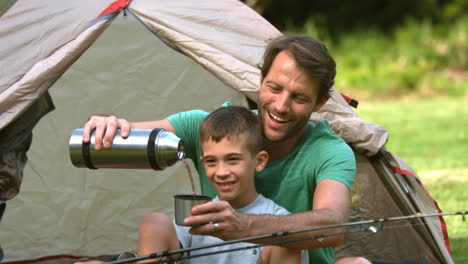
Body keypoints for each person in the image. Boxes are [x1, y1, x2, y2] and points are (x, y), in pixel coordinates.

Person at [82, 35, 370, 264]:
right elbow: (130, 136)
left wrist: (244, 227)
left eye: (299, 97)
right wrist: (110, 126)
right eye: (274, 87)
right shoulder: (212, 128)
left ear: (319, 104)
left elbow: (332, 224)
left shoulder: (329, 151)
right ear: (260, 80)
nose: (281, 106)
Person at [138, 105, 305, 263]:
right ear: (203, 163)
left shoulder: (278, 220)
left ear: (259, 161)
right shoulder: (198, 215)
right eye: (211, 162)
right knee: (154, 222)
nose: (222, 172)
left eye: (233, 160)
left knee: (284, 239)